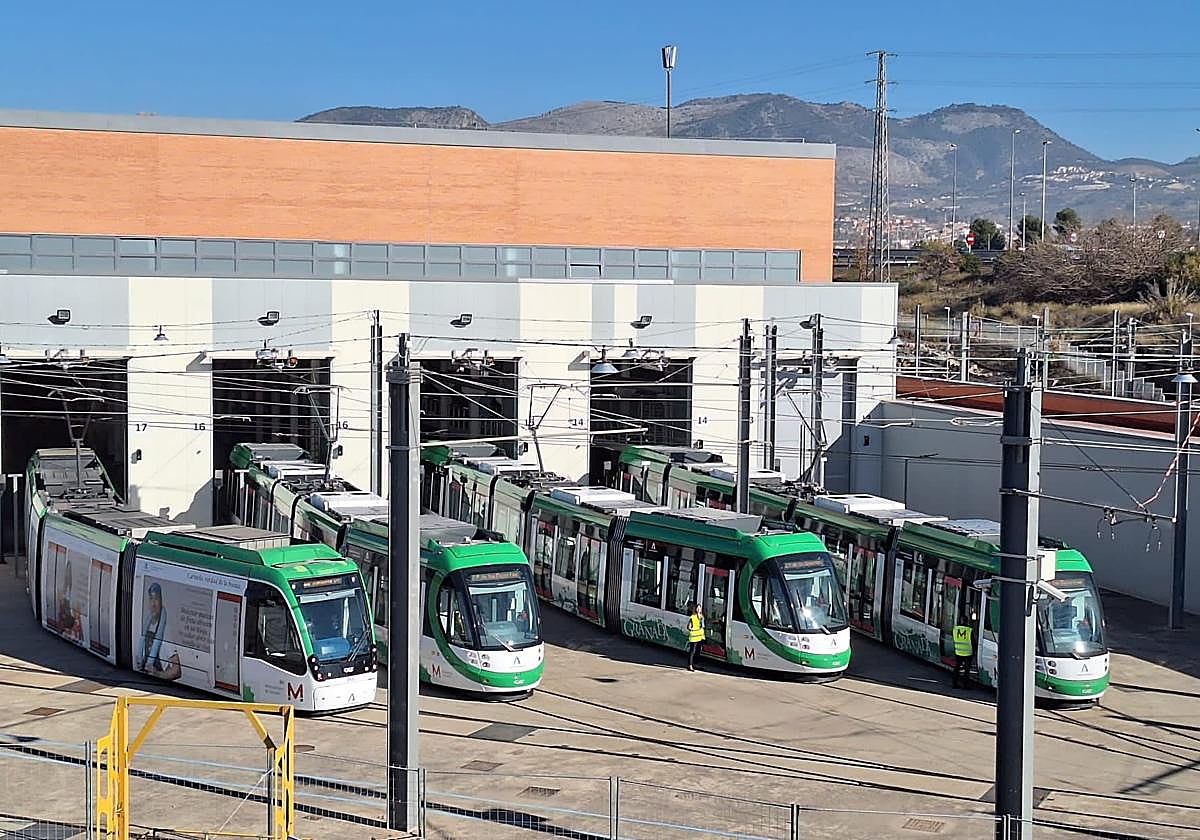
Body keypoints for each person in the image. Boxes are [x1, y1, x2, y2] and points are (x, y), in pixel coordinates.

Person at [136, 582, 182, 681]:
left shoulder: (166, 631)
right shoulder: (144, 624)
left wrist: (158, 674)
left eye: (156, 599)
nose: (153, 604)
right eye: (151, 599)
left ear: (161, 601)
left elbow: (176, 670)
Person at [952, 611, 976, 689]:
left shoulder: (955, 629)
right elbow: (973, 642)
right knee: (966, 670)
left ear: (961, 621)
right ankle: (965, 685)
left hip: (958, 651)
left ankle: (954, 684)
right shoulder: (969, 630)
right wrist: (974, 651)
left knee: (957, 668)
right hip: (968, 653)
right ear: (967, 621)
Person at [686, 602, 705, 672]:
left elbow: (703, 626)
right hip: (694, 636)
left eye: (699, 608)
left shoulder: (702, 617)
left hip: (700, 636)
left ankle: (696, 664)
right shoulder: (692, 617)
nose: (698, 609)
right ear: (695, 609)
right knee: (692, 651)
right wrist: (693, 630)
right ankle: (690, 665)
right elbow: (688, 627)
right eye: (697, 608)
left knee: (698, 651)